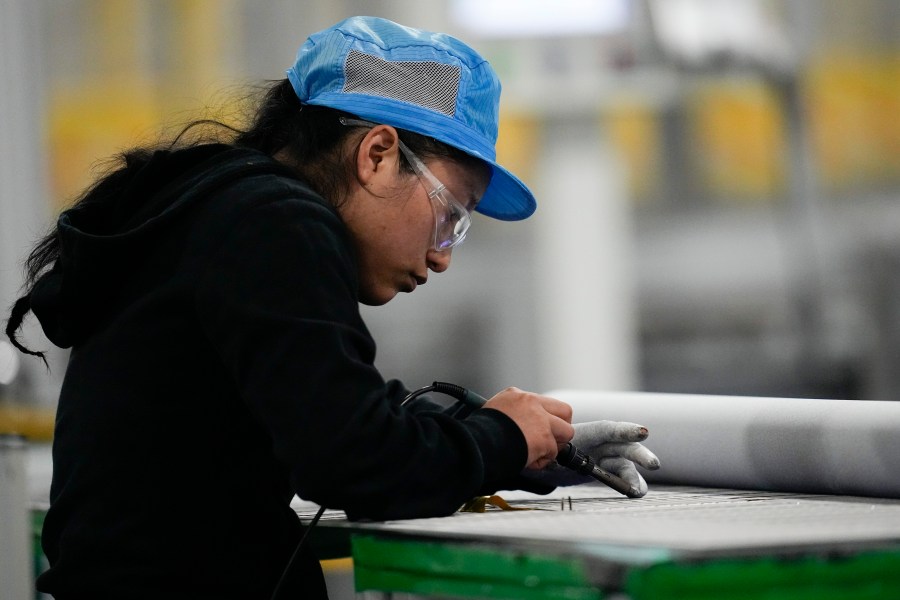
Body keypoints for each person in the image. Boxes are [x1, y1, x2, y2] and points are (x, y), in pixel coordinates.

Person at [5, 16, 658, 600]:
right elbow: (354, 460)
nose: (442, 257)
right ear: (376, 156)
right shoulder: (274, 221)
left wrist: (513, 441)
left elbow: (341, 409)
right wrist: (501, 438)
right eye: (450, 216)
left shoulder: (218, 208)